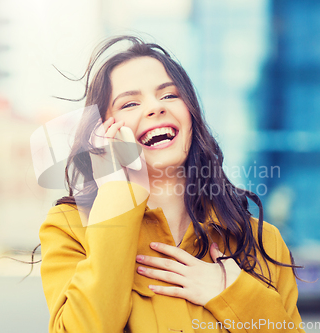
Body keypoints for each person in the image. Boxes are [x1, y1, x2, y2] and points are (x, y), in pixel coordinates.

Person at [39, 35, 305, 333]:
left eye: (169, 95)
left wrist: (231, 293)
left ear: (191, 116)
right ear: (102, 133)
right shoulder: (70, 228)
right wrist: (121, 194)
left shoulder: (261, 240)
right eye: (130, 103)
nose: (155, 108)